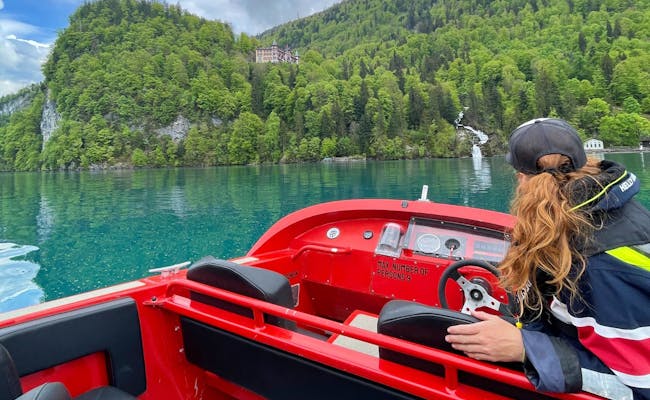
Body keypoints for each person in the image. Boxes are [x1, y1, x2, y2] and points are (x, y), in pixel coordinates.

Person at [445, 118, 650, 400]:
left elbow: (641, 386)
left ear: (521, 178)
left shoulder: (594, 265)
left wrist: (526, 349)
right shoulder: (608, 211)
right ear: (585, 163)